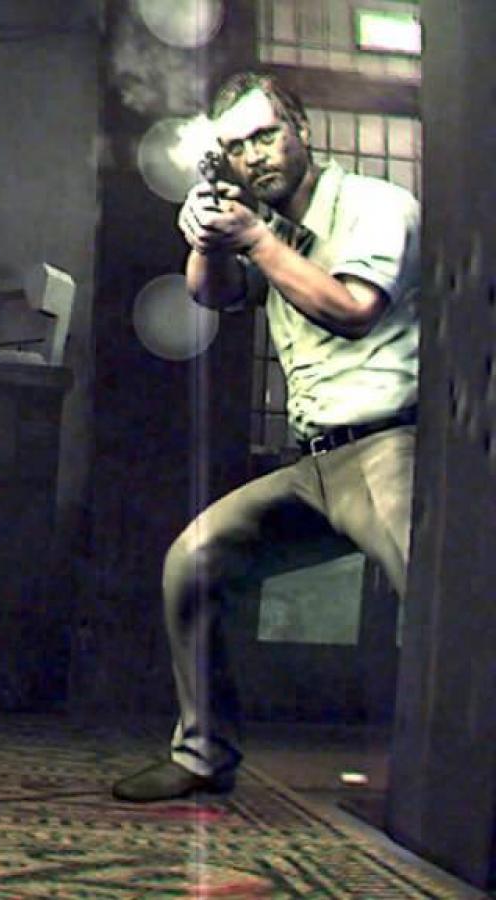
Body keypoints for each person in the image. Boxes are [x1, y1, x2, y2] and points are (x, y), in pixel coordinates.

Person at [111, 71, 420, 802]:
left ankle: (462, 783)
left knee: (443, 609)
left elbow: (352, 310)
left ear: (300, 129)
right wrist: (209, 237)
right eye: (236, 147)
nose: (253, 157)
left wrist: (250, 236)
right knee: (193, 561)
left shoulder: (379, 205)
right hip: (313, 466)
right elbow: (211, 293)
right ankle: (203, 753)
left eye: (265, 135)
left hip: (392, 449)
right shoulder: (270, 230)